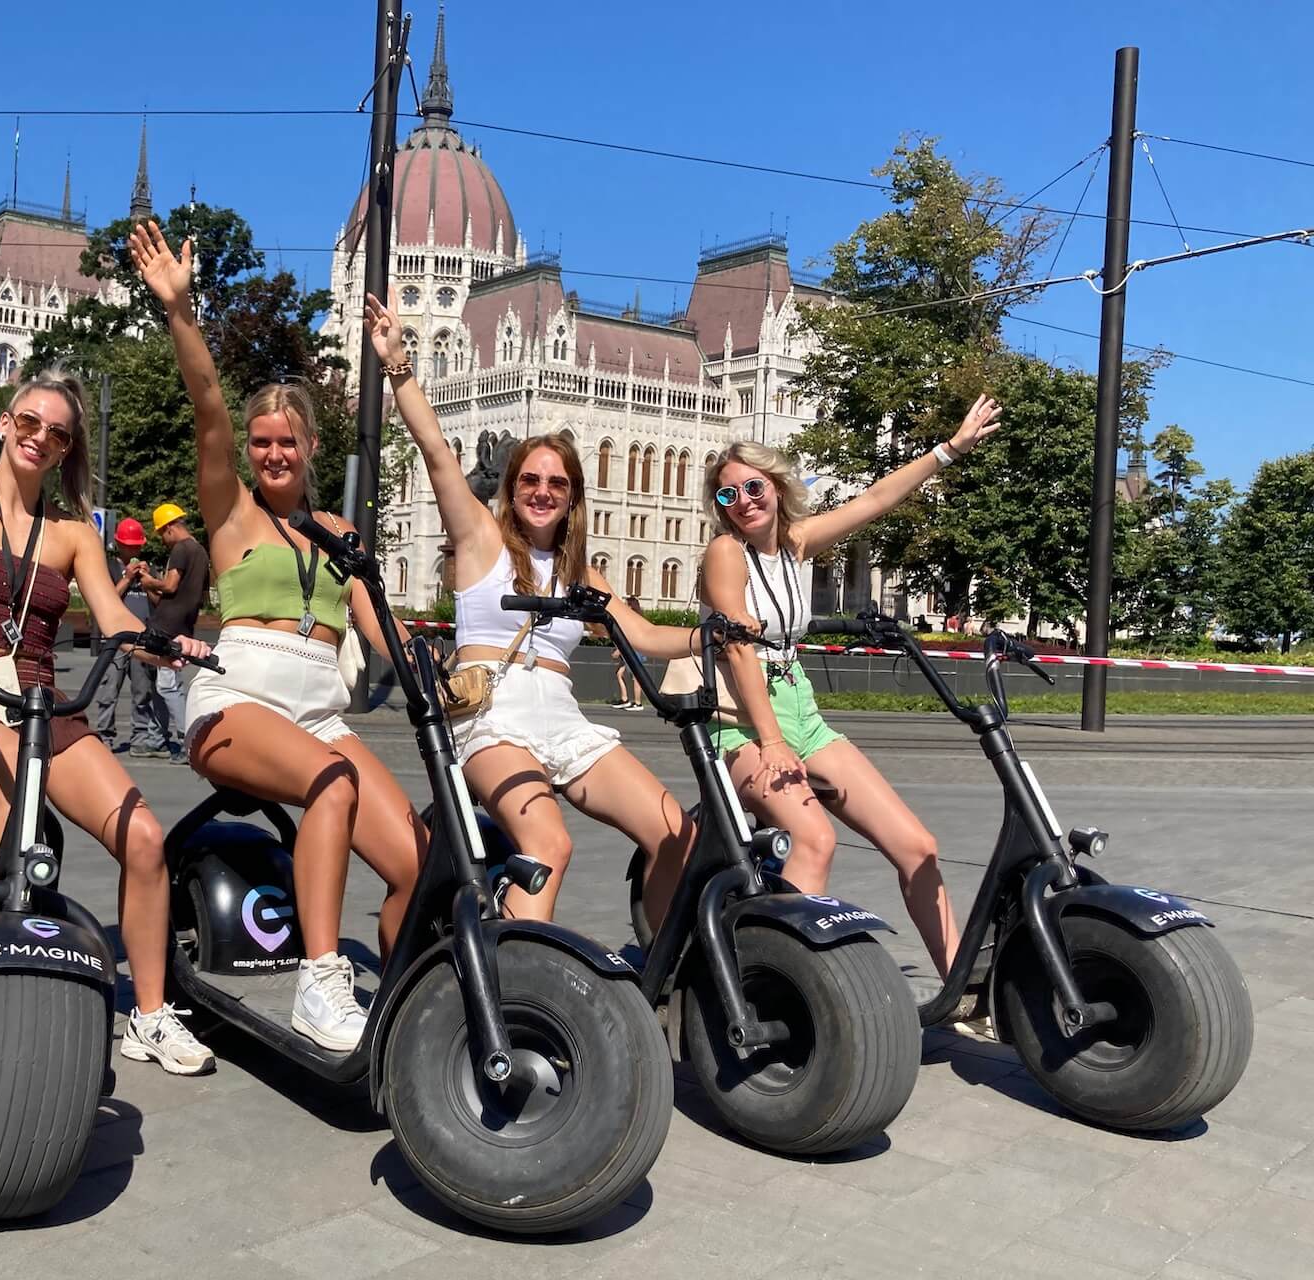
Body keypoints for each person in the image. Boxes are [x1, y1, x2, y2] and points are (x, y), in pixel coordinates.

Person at [0, 187, 215, 1075]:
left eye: (57, 432)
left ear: (68, 451)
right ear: (4, 422)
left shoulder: (73, 532)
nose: (39, 436)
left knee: (143, 834)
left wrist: (167, 643)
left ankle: (147, 1012)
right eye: (27, 421)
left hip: (37, 704)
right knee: (12, 789)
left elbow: (113, 620)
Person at [133, 223, 424, 1053]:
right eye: (261, 443)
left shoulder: (336, 531)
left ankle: (407, 1004)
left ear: (311, 446)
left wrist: (438, 675)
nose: (269, 453)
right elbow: (209, 409)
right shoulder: (230, 518)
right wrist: (184, 314)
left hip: (320, 715)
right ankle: (320, 981)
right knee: (331, 782)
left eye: (285, 441)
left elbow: (378, 621)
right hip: (239, 700)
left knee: (418, 862)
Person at [362, 291, 703, 922]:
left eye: (557, 483)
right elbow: (438, 452)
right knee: (550, 844)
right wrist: (398, 366)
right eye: (530, 480)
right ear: (512, 487)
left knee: (676, 834)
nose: (542, 492)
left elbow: (647, 636)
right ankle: (518, 993)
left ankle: (661, 976)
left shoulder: (582, 572)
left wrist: (715, 636)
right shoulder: (481, 540)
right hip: (494, 715)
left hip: (564, 719)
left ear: (572, 496)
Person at [697, 395, 1003, 982]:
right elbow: (737, 650)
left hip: (801, 712)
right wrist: (771, 742)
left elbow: (876, 500)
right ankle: (778, 984)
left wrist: (949, 449)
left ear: (777, 486)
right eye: (728, 495)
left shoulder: (795, 545)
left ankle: (960, 986)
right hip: (739, 720)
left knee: (918, 846)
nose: (743, 503)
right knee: (813, 840)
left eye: (753, 488)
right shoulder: (724, 552)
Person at [93, 518, 174, 758]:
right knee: (109, 691)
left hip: (142, 638)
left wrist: (148, 582)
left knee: (143, 691)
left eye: (137, 546)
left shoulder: (149, 569)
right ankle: (105, 736)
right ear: (118, 544)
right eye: (129, 546)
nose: (133, 551)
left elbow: (160, 603)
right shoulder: (107, 567)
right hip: (115, 640)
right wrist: (127, 578)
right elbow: (106, 599)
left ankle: (140, 737)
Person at [134, 501, 210, 749]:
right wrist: (150, 588)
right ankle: (157, 738)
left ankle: (186, 736)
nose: (163, 541)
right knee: (162, 684)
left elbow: (169, 586)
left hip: (166, 628)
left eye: (161, 535)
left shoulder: (181, 549)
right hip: (182, 626)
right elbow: (177, 597)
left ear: (169, 528)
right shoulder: (200, 552)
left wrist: (149, 581)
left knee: (167, 686)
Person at [607, 595, 646, 709]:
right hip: (629, 652)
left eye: (627, 604)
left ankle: (638, 703)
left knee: (636, 678)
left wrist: (619, 651)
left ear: (631, 606)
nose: (624, 606)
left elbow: (629, 637)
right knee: (620, 674)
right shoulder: (630, 619)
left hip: (635, 651)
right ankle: (625, 699)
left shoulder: (635, 620)